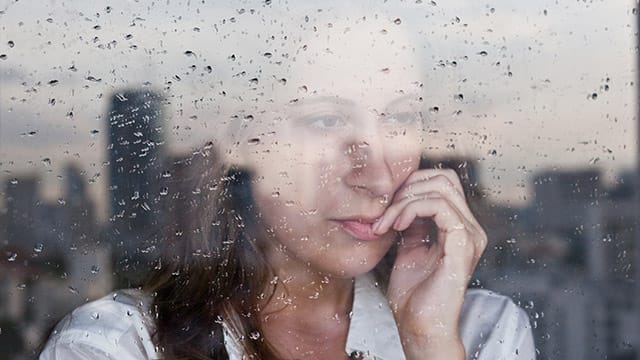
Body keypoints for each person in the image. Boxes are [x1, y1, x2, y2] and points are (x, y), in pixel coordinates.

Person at [40, 2, 535, 359]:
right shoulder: (115, 346)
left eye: (399, 118)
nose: (379, 175)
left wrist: (429, 346)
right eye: (326, 121)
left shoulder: (478, 332)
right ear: (246, 140)